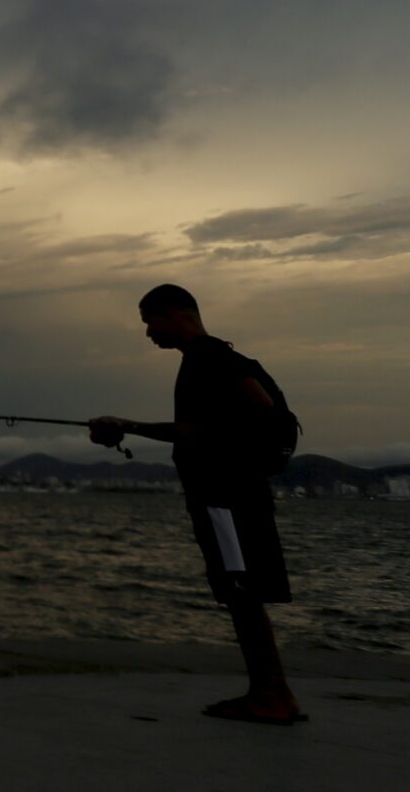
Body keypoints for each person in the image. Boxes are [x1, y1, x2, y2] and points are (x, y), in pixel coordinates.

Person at [89, 283, 303, 726]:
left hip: (227, 497)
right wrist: (129, 426)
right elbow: (200, 427)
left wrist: (129, 425)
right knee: (242, 593)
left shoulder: (209, 358)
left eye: (150, 321)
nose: (148, 333)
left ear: (174, 314)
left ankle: (272, 696)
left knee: (242, 593)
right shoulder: (215, 359)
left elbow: (253, 415)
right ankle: (273, 692)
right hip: (234, 494)